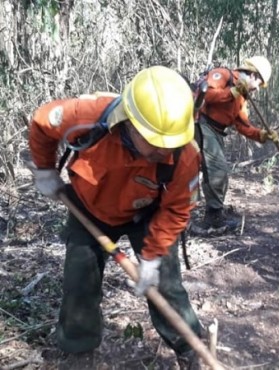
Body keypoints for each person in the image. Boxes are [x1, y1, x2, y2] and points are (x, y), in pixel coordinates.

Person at [28, 66, 202, 369]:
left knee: (166, 284)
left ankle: (190, 350)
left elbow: (176, 209)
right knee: (79, 280)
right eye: (156, 143)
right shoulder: (87, 117)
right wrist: (45, 169)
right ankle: (79, 352)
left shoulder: (184, 155)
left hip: (147, 214)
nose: (165, 150)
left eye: (171, 143)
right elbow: (43, 121)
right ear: (131, 123)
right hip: (88, 209)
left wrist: (152, 256)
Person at [194, 56, 278, 233]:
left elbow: (242, 125)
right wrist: (231, 92)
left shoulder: (242, 96)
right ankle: (212, 220)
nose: (256, 89)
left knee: (218, 172)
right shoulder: (223, 75)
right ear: (253, 75)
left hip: (217, 131)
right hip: (202, 125)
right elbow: (206, 95)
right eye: (259, 84)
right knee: (217, 169)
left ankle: (214, 212)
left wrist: (262, 135)